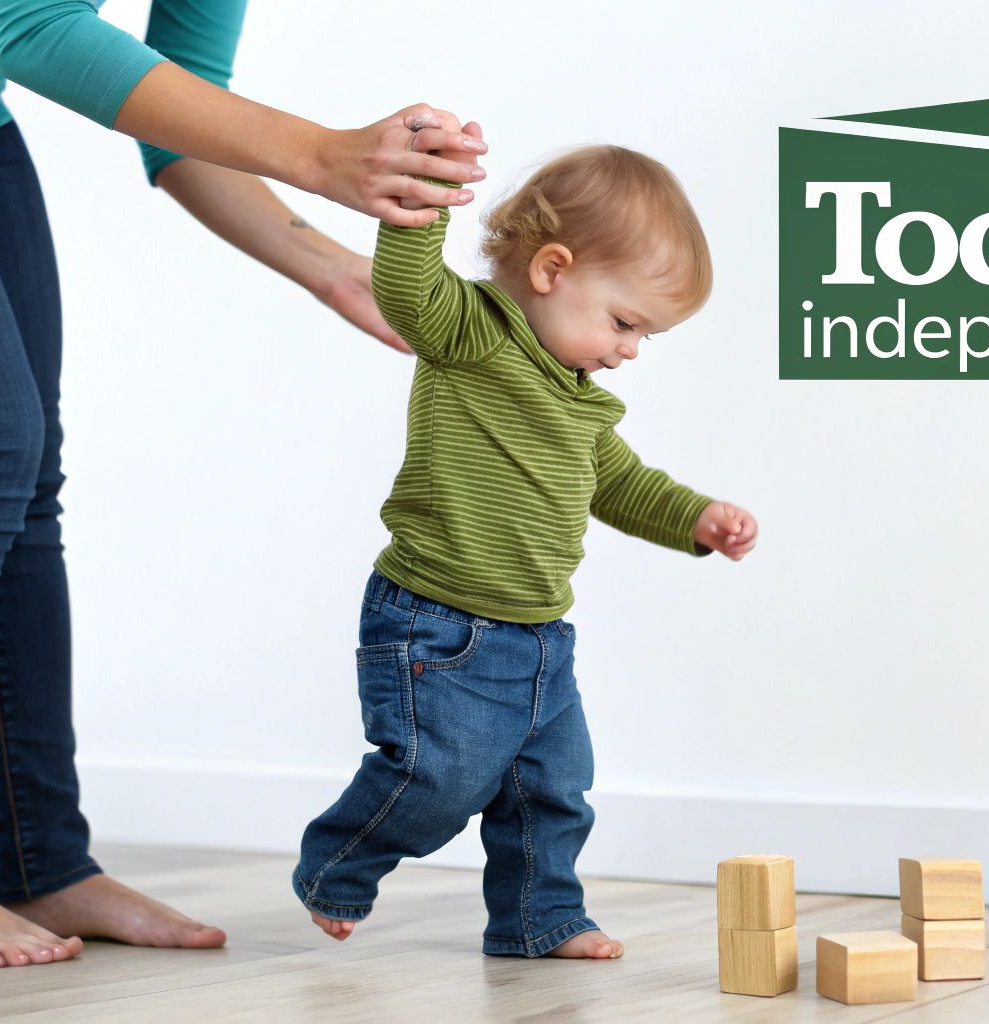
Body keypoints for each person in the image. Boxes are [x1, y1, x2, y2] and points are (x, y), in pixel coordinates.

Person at [0, 0, 485, 969]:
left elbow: (182, 127)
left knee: (18, 472)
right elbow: (40, 30)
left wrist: (339, 274)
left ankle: (43, 859)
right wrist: (326, 155)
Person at [293, 145, 759, 959]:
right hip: (440, 624)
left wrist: (696, 519)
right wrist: (423, 203)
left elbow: (620, 485)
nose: (629, 351)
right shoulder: (474, 335)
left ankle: (539, 918)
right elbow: (406, 288)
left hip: (540, 636)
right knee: (438, 778)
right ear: (551, 268)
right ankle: (338, 863)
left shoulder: (577, 400)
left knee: (552, 792)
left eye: (645, 335)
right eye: (624, 322)